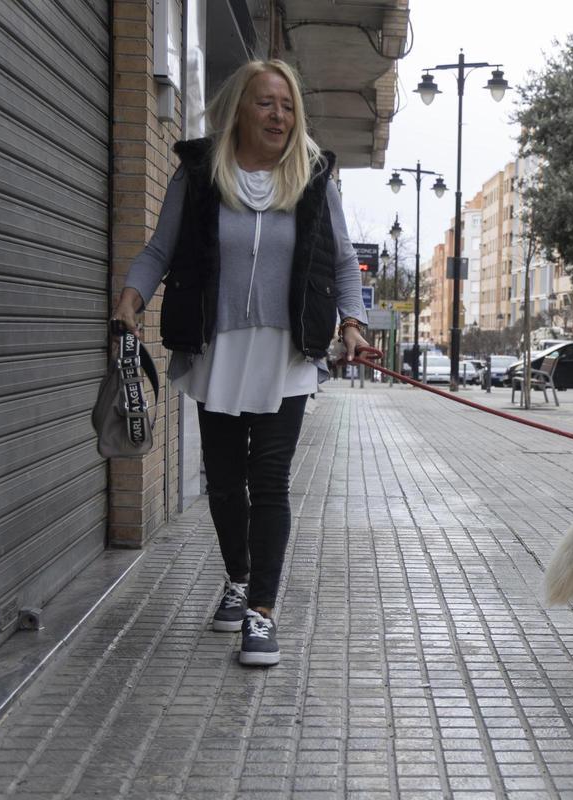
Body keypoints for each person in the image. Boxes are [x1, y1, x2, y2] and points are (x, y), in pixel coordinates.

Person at [112, 60, 369, 667]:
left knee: (271, 480)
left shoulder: (312, 176)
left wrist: (352, 322)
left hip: (285, 352)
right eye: (266, 103)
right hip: (219, 347)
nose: (278, 115)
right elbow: (159, 248)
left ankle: (262, 612)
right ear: (241, 110)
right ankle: (237, 579)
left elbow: (340, 261)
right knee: (225, 482)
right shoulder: (201, 173)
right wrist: (132, 294)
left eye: (286, 105)